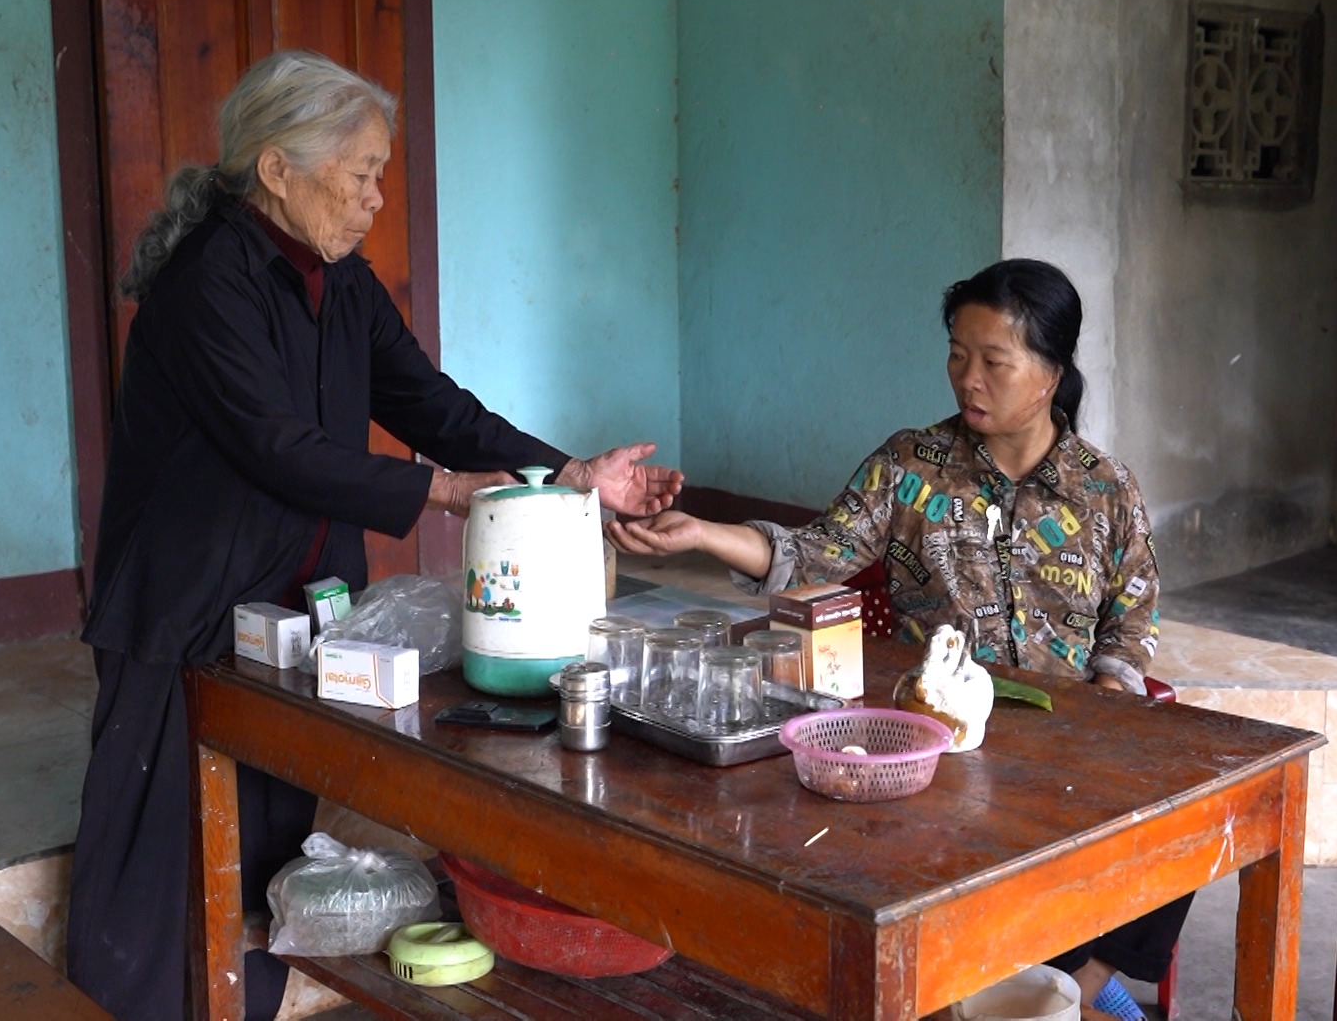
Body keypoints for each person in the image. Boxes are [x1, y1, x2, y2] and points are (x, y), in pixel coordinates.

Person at [67, 50, 682, 1020]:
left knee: (266, 829)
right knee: (157, 849)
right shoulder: (208, 283)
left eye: (379, 175)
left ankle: (243, 1002)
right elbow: (279, 448)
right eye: (359, 174)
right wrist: (449, 492)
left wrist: (565, 477)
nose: (374, 198)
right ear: (278, 167)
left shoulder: (339, 282)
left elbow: (427, 401)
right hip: (183, 607)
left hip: (294, 599)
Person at [608, 258, 1180, 1021]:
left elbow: (1130, 619)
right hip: (929, 741)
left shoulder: (1105, 487)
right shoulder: (913, 466)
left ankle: (1067, 985)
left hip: (1062, 735)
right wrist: (705, 534)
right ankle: (1025, 981)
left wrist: (1104, 707)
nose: (966, 378)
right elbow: (815, 554)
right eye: (956, 354)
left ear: (1050, 373)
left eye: (992, 361)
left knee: (1179, 826)